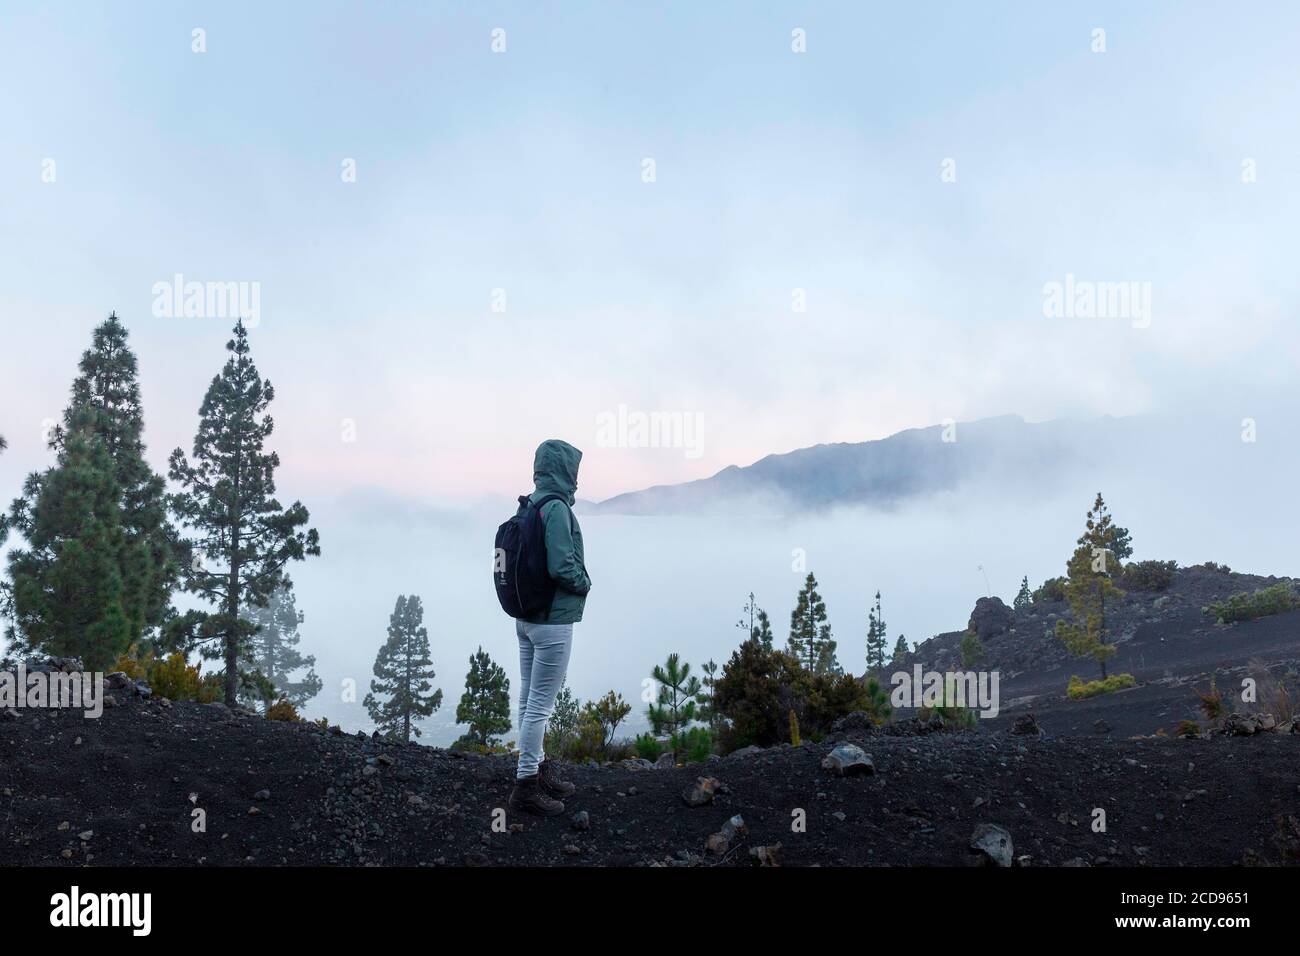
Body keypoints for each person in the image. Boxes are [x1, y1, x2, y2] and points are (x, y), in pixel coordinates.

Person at [508, 439, 591, 816]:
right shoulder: (556, 509)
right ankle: (526, 786)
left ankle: (537, 770)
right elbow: (561, 567)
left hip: (526, 619)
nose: (577, 478)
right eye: (573, 470)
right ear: (564, 470)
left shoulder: (530, 504)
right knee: (540, 705)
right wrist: (585, 582)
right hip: (553, 622)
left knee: (529, 698)